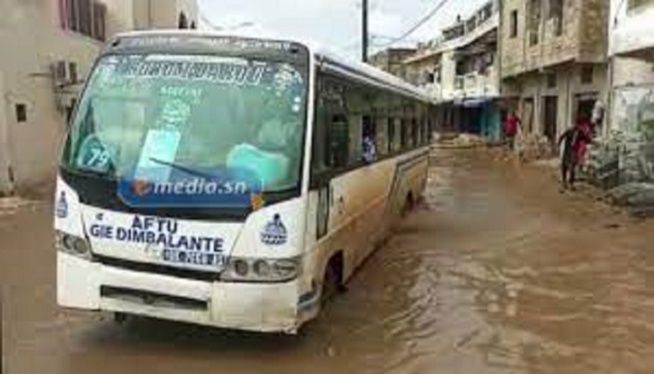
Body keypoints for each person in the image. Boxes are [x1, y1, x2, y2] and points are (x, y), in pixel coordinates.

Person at [558, 119, 592, 191]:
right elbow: (562, 137)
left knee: (572, 168)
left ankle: (570, 183)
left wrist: (589, 140)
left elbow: (586, 139)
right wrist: (559, 144)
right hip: (568, 151)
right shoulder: (571, 131)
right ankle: (565, 182)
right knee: (565, 166)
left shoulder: (580, 132)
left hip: (573, 152)